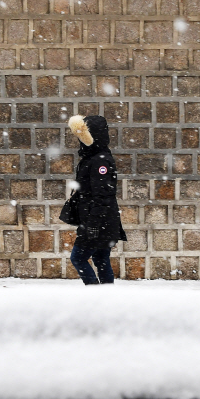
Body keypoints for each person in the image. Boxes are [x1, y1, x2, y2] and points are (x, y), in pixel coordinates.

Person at [62, 114, 127, 285]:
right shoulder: (94, 157)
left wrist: (93, 224)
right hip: (100, 219)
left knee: (78, 258)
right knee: (101, 259)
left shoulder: (100, 161)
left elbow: (103, 196)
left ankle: (96, 296)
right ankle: (106, 300)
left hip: (98, 221)